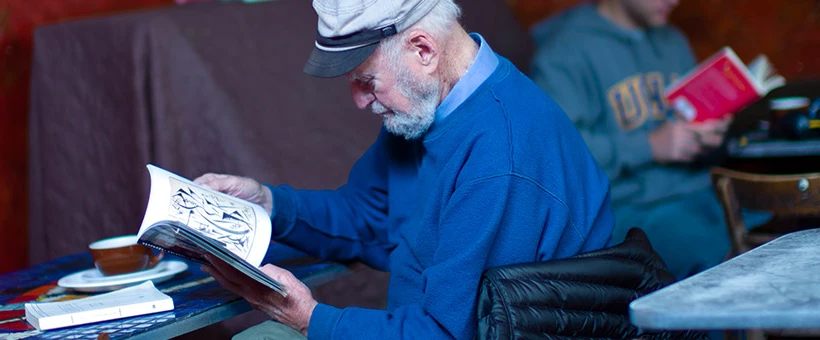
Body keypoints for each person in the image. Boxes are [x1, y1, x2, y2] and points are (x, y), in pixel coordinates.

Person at [194, 0, 614, 339]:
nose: (359, 101)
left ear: (424, 50)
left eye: (367, 80)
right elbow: (365, 218)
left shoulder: (500, 158)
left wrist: (310, 319)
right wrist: (269, 203)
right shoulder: (428, 108)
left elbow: (450, 334)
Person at [530, 0, 768, 280]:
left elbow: (686, 129)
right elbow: (560, 158)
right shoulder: (563, 53)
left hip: (701, 195)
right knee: (731, 262)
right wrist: (650, 146)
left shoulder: (673, 40)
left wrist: (704, 136)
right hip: (631, 212)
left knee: (786, 237)